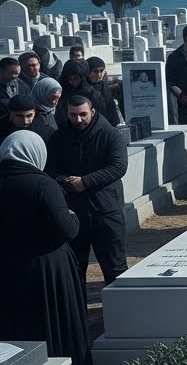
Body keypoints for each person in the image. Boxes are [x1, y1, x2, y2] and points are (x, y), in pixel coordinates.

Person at [0, 131, 95, 365]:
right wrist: (71, 215)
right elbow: (66, 230)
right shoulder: (43, 184)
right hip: (46, 272)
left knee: (12, 335)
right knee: (53, 333)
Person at [47, 95, 129, 286]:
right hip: (73, 212)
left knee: (115, 267)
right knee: (75, 268)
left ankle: (120, 312)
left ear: (92, 112)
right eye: (73, 115)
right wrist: (61, 179)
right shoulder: (58, 137)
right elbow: (51, 167)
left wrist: (86, 181)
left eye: (83, 114)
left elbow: (118, 166)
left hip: (106, 211)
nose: (78, 120)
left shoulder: (110, 134)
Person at [30, 76, 63, 140]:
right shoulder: (30, 112)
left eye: (57, 98)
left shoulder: (59, 110)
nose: (55, 102)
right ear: (42, 94)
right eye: (53, 98)